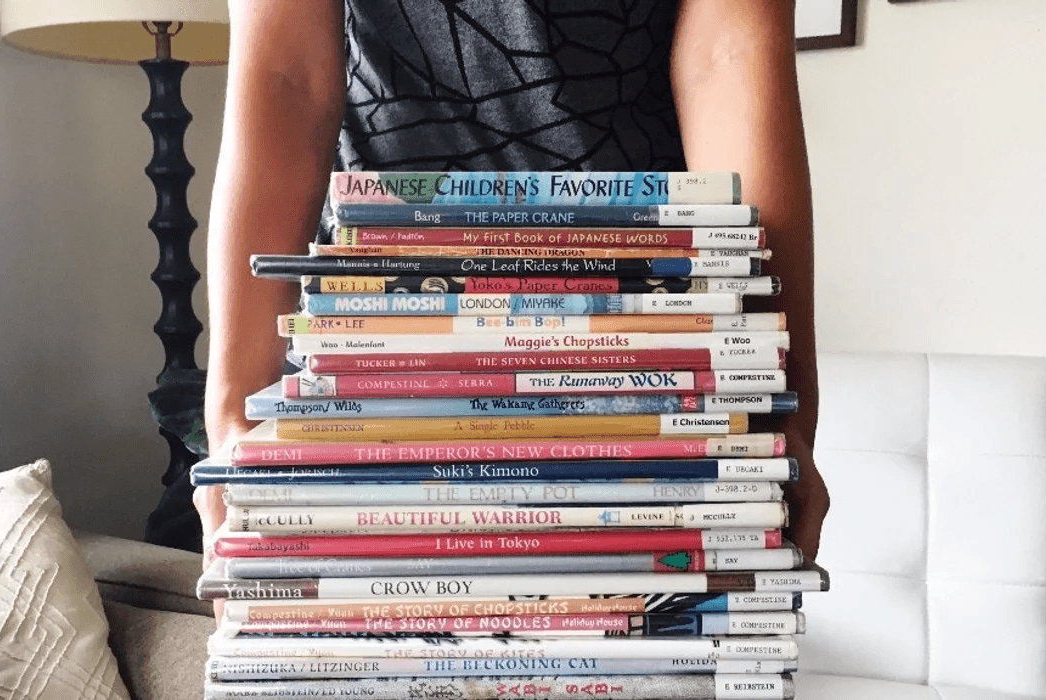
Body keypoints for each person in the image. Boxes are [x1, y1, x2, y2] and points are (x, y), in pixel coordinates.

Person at [197, 0, 828, 598]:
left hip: (649, 356)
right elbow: (287, 74)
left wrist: (783, 406)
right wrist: (231, 421)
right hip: (381, 358)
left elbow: (729, 52)